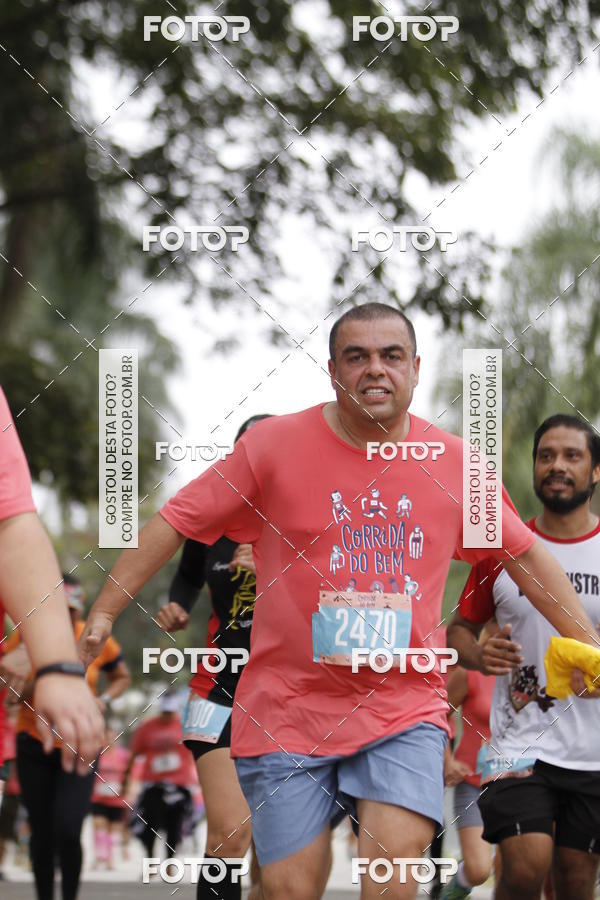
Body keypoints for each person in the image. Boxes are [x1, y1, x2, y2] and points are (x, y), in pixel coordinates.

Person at [79, 304, 600, 900]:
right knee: (286, 890)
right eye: (357, 357)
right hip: (287, 709)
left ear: (415, 369)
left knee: (391, 872)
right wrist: (104, 610)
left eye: (391, 356)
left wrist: (588, 642)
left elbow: (527, 557)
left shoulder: (456, 465)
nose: (375, 370)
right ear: (332, 370)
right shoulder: (272, 447)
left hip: (402, 707)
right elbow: (177, 520)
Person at [447, 413, 600, 900]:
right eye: (546, 456)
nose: (557, 466)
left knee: (576, 881)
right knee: (526, 865)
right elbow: (458, 632)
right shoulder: (502, 549)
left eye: (572, 456)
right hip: (517, 742)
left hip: (594, 751)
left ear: (596, 472)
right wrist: (476, 653)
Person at [156, 414, 270, 900]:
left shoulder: (307, 523)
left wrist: (272, 569)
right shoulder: (211, 524)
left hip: (286, 691)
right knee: (230, 832)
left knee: (279, 849)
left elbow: (329, 604)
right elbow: (186, 576)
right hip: (217, 686)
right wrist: (178, 603)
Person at [0, 386, 104, 773]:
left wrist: (58, 667)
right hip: (31, 732)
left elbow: (10, 525)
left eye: (73, 604)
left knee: (59, 830)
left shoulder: (81, 642)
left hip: (64, 732)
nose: (71, 609)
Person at [10, 574, 130, 900]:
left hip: (80, 744)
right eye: (59, 610)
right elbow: (10, 696)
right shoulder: (21, 640)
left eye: (72, 611)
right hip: (33, 742)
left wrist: (102, 701)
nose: (67, 618)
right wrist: (43, 671)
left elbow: (121, 676)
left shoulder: (91, 638)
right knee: (41, 831)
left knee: (68, 828)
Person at [441, 625, 496, 899]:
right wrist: (447, 760)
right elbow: (437, 713)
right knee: (478, 870)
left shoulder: (535, 672)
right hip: (473, 783)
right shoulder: (470, 672)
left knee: (521, 871)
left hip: (522, 785)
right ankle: (449, 893)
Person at [124, 692, 198, 860]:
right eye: (164, 711)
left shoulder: (185, 725)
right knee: (150, 824)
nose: (167, 715)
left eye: (170, 712)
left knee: (174, 826)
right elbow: (134, 754)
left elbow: (196, 752)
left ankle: (170, 860)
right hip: (153, 784)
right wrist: (126, 779)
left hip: (179, 784)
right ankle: (150, 859)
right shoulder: (147, 727)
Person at [90, 725, 130, 869]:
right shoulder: (96, 754)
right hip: (98, 798)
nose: (109, 740)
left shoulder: (124, 756)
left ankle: (109, 859)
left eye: (112, 737)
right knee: (99, 826)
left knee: (113, 831)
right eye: (106, 737)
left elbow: (131, 774)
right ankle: (100, 855)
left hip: (117, 799)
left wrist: (129, 791)